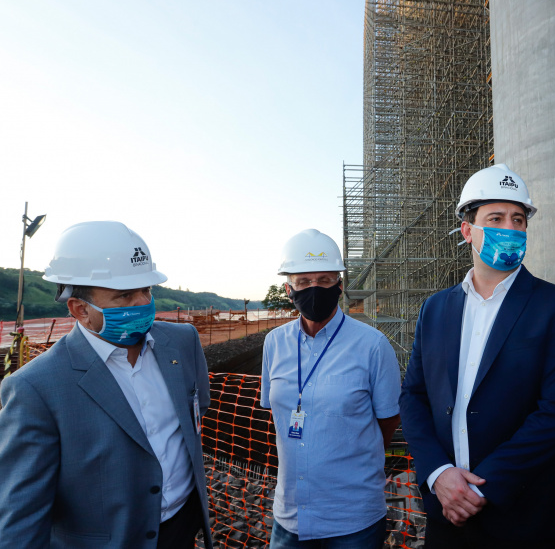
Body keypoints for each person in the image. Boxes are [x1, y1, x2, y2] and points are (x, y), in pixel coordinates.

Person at [399, 164, 555, 549]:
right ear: (468, 231)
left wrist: (480, 489)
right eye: (496, 218)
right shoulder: (435, 309)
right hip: (447, 517)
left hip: (527, 518)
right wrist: (438, 473)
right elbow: (414, 396)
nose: (510, 228)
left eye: (518, 219)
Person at [0, 221, 213, 549]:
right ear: (80, 309)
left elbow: (196, 414)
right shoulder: (35, 388)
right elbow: (22, 516)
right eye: (124, 295)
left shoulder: (183, 342)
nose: (142, 303)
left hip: (184, 527)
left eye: (146, 290)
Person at [261, 229, 401, 549]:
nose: (314, 288)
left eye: (324, 280)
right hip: (290, 516)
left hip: (352, 519)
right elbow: (278, 415)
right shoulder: (274, 343)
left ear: (339, 285)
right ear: (288, 289)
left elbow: (388, 421)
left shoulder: (373, 345)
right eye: (303, 281)